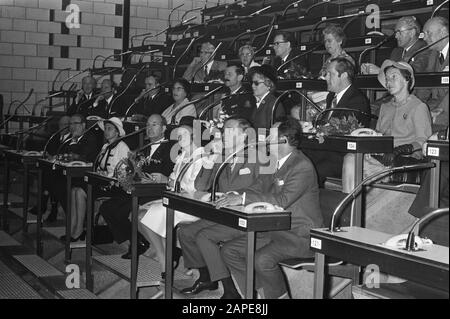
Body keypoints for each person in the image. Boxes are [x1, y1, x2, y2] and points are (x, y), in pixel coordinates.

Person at [215, 118, 323, 299]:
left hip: (299, 235)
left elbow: (281, 200)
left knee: (262, 259)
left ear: (284, 140)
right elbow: (257, 186)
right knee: (229, 251)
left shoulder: (301, 166)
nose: (264, 140)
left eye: (269, 137)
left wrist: (242, 198)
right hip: (275, 230)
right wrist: (233, 194)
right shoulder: (273, 162)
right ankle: (257, 294)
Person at [178, 117, 260, 296]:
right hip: (221, 214)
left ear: (244, 135)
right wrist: (210, 160)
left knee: (203, 237)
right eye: (223, 130)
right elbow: (201, 186)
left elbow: (261, 189)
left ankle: (230, 290)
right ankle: (206, 277)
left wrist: (239, 197)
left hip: (244, 216)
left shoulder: (256, 158)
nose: (224, 134)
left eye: (230, 130)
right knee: (184, 232)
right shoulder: (222, 157)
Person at [342, 60, 432, 192]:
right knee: (351, 158)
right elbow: (378, 135)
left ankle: (351, 208)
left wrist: (401, 149)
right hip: (380, 157)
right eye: (387, 79)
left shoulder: (418, 107)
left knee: (353, 163)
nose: (389, 82)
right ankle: (355, 207)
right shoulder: (385, 107)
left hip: (403, 160)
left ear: (407, 80)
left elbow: (424, 141)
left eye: (394, 77)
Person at [99, 114, 175, 259]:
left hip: (156, 192)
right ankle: (136, 241)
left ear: (164, 128)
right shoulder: (143, 149)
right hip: (138, 191)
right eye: (148, 125)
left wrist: (153, 178)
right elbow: (133, 172)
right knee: (107, 207)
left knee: (125, 211)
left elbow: (166, 174)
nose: (150, 128)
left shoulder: (170, 147)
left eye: (154, 124)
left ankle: (141, 244)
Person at [138, 123, 205, 279]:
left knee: (143, 217)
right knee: (139, 214)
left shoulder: (201, 158)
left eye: (184, 134)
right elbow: (173, 180)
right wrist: (172, 182)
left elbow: (194, 188)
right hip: (176, 200)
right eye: (178, 135)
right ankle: (166, 256)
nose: (179, 138)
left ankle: (165, 261)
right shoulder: (182, 155)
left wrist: (172, 182)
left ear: (195, 136)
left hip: (191, 205)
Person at [61, 117, 130, 242]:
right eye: (106, 129)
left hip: (114, 187)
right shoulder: (105, 146)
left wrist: (108, 175)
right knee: (75, 190)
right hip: (101, 182)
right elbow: (98, 165)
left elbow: (124, 172)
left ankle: (78, 231)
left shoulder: (122, 147)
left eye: (110, 129)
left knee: (81, 191)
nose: (106, 131)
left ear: (117, 132)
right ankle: (72, 228)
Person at [306, 57, 371, 186]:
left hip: (342, 156)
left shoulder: (357, 100)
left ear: (344, 75)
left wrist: (318, 130)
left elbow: (343, 132)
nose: (325, 78)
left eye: (330, 74)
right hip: (326, 150)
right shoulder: (332, 96)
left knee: (310, 169)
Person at [50, 114, 101, 216]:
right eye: (70, 124)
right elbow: (64, 153)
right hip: (71, 173)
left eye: (75, 123)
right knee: (52, 179)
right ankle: (71, 218)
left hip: (84, 175)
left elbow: (83, 156)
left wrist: (73, 144)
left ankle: (77, 219)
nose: (72, 126)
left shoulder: (90, 137)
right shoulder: (70, 137)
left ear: (83, 125)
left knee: (60, 186)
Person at [29, 115, 71, 221]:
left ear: (70, 126)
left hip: (65, 170)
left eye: (65, 125)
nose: (61, 127)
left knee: (52, 177)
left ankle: (47, 205)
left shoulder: (72, 138)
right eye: (60, 124)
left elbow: (68, 155)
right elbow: (48, 150)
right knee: (46, 172)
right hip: (53, 167)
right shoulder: (55, 136)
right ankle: (50, 207)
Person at [361, 16, 429, 74]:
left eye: (399, 32)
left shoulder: (424, 50)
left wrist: (380, 71)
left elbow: (412, 74)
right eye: (395, 32)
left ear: (412, 33)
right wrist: (370, 72)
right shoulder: (396, 52)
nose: (396, 36)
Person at [421, 16, 449, 132]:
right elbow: (426, 86)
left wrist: (439, 110)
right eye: (424, 34)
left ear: (443, 32)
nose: (425, 38)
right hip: (436, 106)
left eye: (428, 33)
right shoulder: (432, 54)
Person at [249, 65, 285, 130]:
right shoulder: (258, 102)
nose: (252, 86)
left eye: (256, 83)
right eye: (252, 82)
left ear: (268, 84)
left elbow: (273, 131)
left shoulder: (273, 103)